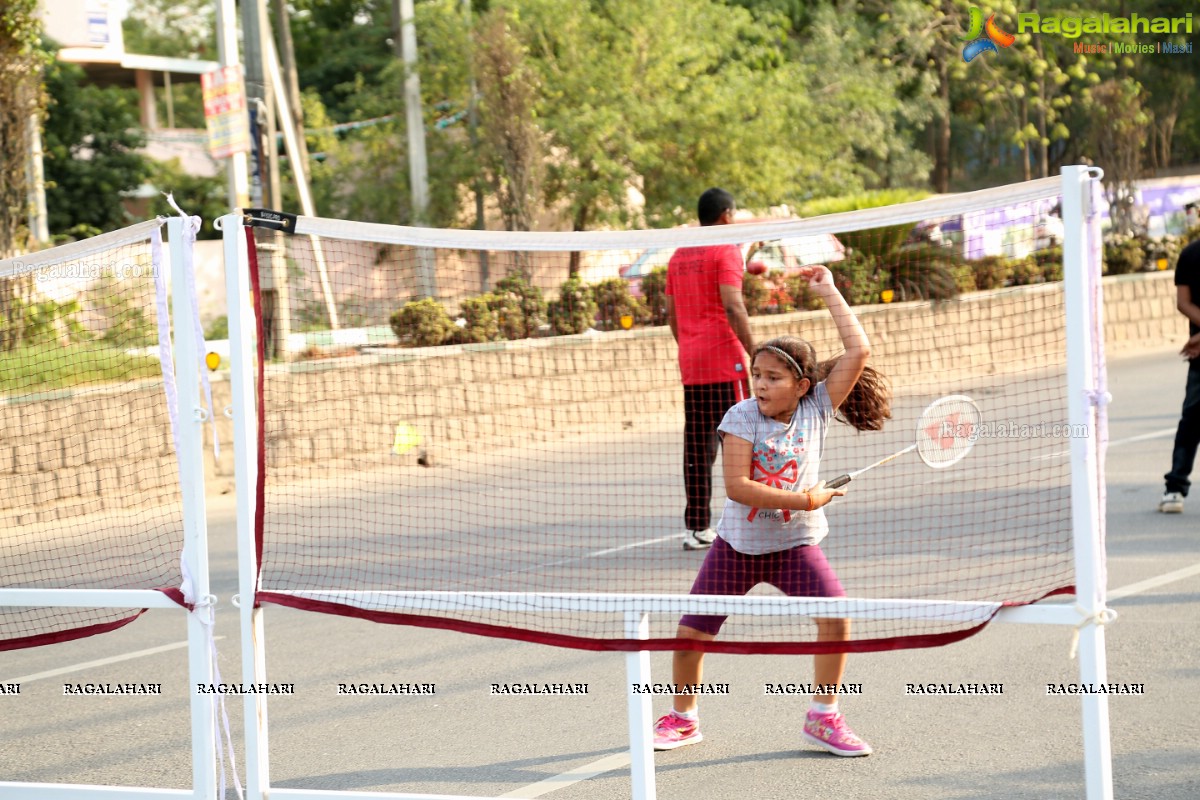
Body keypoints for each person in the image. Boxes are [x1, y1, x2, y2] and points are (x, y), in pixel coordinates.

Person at [653, 264, 891, 756]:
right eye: (756, 374)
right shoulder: (740, 416)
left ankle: (823, 718)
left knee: (836, 618)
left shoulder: (817, 408)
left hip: (794, 546)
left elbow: (858, 350)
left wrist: (828, 291)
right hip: (737, 547)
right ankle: (682, 717)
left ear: (803, 386)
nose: (759, 384)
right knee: (689, 634)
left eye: (773, 378)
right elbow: (738, 487)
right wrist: (807, 500)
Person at [666, 188, 756, 550]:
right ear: (725, 216)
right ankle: (752, 521)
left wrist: (689, 344)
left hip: (692, 363)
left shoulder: (677, 256)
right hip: (725, 362)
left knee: (697, 447)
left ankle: (697, 527)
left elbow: (671, 315)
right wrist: (756, 352)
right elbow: (734, 306)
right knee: (746, 442)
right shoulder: (726, 250)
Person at [1159, 238, 1200, 513]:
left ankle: (1175, 489)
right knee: (1192, 419)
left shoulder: (1189, 253)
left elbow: (1184, 303)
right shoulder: (1191, 255)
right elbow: (1182, 301)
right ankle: (1175, 487)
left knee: (1192, 419)